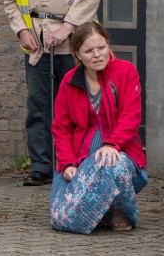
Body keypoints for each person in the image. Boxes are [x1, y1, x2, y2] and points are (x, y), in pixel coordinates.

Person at [9, 0, 100, 185]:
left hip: (74, 44)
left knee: (76, 105)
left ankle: (76, 162)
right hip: (36, 44)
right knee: (39, 105)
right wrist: (22, 30)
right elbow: (10, 0)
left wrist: (67, 28)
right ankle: (42, 166)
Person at [47, 21, 148, 232]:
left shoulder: (126, 71)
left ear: (108, 44)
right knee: (60, 217)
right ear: (77, 54)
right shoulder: (68, 81)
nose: (97, 54)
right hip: (79, 156)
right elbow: (61, 128)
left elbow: (131, 116)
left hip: (118, 150)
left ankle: (121, 210)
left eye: (101, 47)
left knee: (112, 164)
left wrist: (113, 144)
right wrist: (67, 164)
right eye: (89, 50)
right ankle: (103, 207)